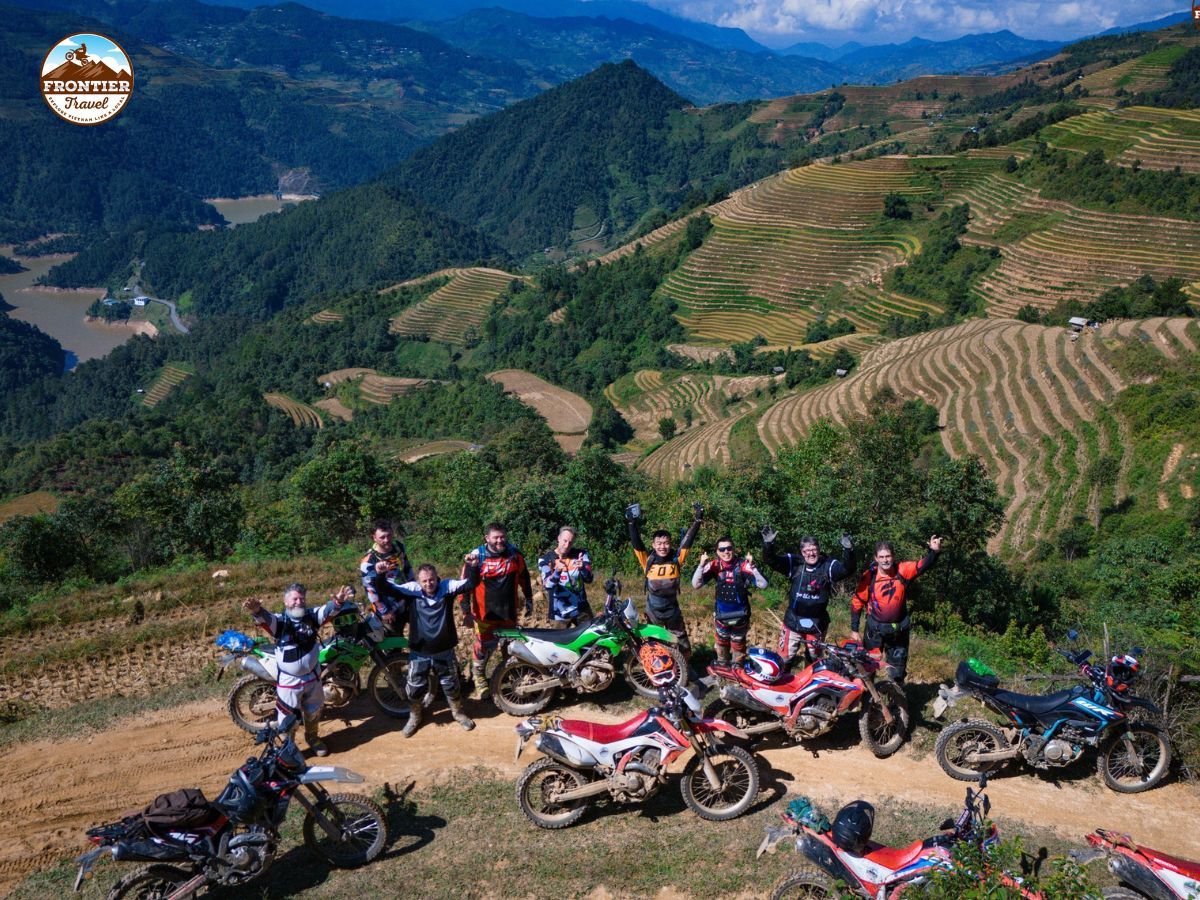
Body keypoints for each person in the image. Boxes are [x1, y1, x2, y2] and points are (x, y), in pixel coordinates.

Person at [242, 583, 353, 757]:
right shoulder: (280, 622)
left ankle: (313, 738)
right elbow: (266, 618)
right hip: (289, 681)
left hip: (313, 676)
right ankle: (289, 748)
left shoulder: (311, 616)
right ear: (286, 602)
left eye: (302, 598)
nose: (298, 602)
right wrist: (257, 610)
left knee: (314, 711)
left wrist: (338, 601)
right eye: (294, 598)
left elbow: (327, 610)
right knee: (287, 717)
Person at [391, 561, 480, 737]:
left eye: (431, 580)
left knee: (452, 685)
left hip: (444, 650)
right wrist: (379, 575)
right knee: (414, 688)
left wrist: (473, 567)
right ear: (418, 581)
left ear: (436, 578)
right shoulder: (412, 591)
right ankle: (414, 716)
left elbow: (471, 583)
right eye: (424, 581)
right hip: (419, 652)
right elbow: (388, 589)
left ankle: (458, 713)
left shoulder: (446, 588)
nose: (428, 584)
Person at [850, 536, 942, 682]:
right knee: (868, 667)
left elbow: (921, 566)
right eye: (881, 557)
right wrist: (854, 629)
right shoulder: (869, 576)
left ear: (893, 556)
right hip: (874, 630)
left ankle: (895, 702)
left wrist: (934, 552)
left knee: (897, 670)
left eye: (888, 556)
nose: (885, 560)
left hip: (898, 630)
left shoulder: (902, 570)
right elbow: (857, 602)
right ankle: (869, 700)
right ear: (876, 558)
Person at [762, 527, 854, 666]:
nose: (811, 553)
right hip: (793, 621)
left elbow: (847, 569)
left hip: (817, 623)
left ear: (818, 549)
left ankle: (810, 685)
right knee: (784, 658)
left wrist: (848, 550)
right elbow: (771, 561)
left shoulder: (828, 566)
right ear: (802, 552)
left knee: (814, 659)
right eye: (807, 550)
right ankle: (783, 684)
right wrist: (768, 545)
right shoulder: (795, 564)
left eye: (814, 549)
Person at [463, 522, 533, 700]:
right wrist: (465, 612)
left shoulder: (514, 554)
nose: (500, 540)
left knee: (510, 647)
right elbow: (464, 586)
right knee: (483, 647)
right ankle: (479, 679)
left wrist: (530, 599)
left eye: (502, 536)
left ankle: (508, 675)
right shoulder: (476, 557)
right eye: (496, 537)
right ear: (487, 538)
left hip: (508, 613)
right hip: (484, 615)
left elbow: (524, 577)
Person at [626, 501, 703, 657]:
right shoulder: (647, 560)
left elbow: (688, 541)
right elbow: (637, 543)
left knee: (682, 642)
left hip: (672, 610)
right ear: (653, 545)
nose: (663, 547)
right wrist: (631, 523)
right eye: (659, 543)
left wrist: (697, 520)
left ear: (670, 544)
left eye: (666, 543)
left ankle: (685, 668)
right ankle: (657, 674)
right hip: (653, 611)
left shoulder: (677, 558)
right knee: (655, 645)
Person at [691, 536, 767, 665]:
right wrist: (701, 565)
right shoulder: (714, 565)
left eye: (729, 548)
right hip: (722, 615)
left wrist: (753, 567)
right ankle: (723, 667)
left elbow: (763, 584)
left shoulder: (743, 565)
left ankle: (737, 669)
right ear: (717, 551)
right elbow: (696, 584)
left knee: (738, 643)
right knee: (721, 641)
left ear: (734, 549)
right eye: (722, 549)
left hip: (741, 615)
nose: (726, 551)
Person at [359, 520, 414, 635]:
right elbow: (370, 589)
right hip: (388, 607)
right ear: (374, 537)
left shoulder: (399, 547)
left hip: (407, 600)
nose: (386, 540)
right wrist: (384, 611)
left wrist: (416, 591)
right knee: (394, 644)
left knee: (421, 634)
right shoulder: (369, 560)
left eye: (389, 535)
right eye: (382, 537)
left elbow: (407, 568)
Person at [538, 526, 594, 627]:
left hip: (582, 610)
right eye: (564, 540)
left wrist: (582, 569)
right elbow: (547, 586)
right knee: (560, 643)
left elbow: (589, 579)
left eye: (570, 542)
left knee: (591, 641)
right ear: (558, 538)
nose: (567, 545)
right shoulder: (546, 559)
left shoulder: (580, 555)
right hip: (559, 614)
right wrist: (557, 572)